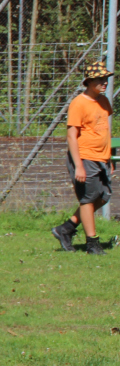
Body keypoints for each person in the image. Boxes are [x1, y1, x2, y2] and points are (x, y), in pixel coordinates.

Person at [50, 61, 114, 256]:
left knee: (103, 196)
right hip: (85, 157)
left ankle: (66, 228)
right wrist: (78, 165)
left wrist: (109, 157)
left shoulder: (104, 101)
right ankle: (92, 244)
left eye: (106, 78)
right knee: (88, 199)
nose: (104, 82)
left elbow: (105, 131)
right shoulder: (79, 103)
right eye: (100, 79)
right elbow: (71, 136)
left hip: (101, 158)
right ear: (89, 81)